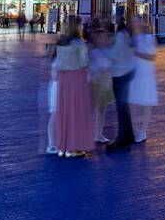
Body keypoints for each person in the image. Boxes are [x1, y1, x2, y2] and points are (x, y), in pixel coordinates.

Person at [48, 17, 91, 157]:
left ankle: (63, 146)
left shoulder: (61, 43)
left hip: (63, 79)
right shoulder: (80, 43)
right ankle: (75, 147)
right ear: (78, 27)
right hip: (77, 78)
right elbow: (84, 63)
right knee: (77, 111)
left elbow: (58, 61)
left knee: (64, 111)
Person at [106, 17, 137, 152]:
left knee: (121, 108)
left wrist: (105, 49)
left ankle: (122, 138)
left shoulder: (119, 37)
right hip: (127, 73)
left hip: (119, 74)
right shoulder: (128, 36)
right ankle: (129, 134)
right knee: (124, 107)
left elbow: (113, 55)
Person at [127, 14, 159, 144]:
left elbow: (152, 57)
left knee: (146, 104)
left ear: (141, 23)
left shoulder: (148, 38)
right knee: (133, 103)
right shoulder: (133, 38)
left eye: (136, 21)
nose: (134, 24)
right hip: (135, 74)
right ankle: (135, 131)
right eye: (132, 22)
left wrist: (135, 53)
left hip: (145, 74)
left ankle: (143, 131)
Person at [87, 22, 115, 145]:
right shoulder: (93, 52)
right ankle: (89, 133)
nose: (104, 39)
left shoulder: (105, 51)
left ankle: (98, 134)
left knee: (101, 109)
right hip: (95, 82)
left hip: (104, 82)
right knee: (92, 109)